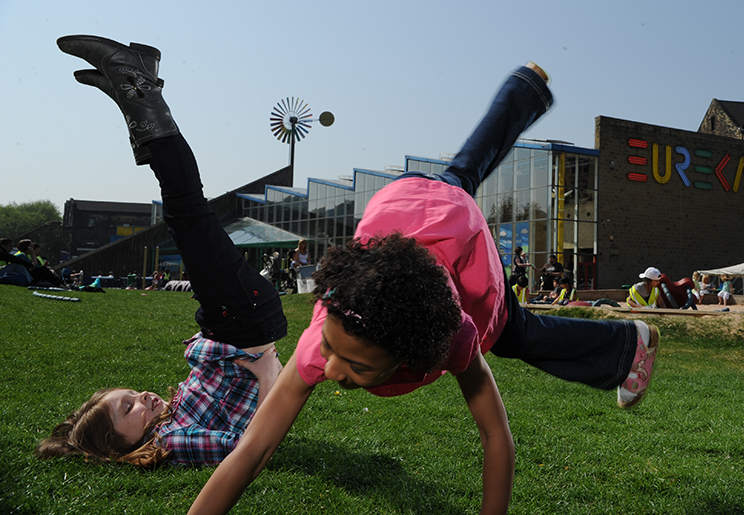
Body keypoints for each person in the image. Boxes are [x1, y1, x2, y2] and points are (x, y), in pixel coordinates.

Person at [55, 36, 659, 514]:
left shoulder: (453, 337)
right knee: (456, 175)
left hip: (455, 232)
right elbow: (253, 450)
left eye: (357, 365)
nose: (332, 372)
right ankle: (522, 93)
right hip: (397, 208)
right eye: (339, 355)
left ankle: (624, 341)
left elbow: (496, 440)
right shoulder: (325, 339)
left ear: (414, 354)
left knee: (504, 324)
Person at [38, 35, 290, 468]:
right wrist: (270, 373)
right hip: (242, 321)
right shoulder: (174, 442)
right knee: (186, 207)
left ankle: (137, 86)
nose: (141, 399)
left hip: (228, 322)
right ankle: (137, 85)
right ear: (118, 442)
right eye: (128, 409)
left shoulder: (167, 421)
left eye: (129, 396)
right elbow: (253, 449)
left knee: (183, 209)